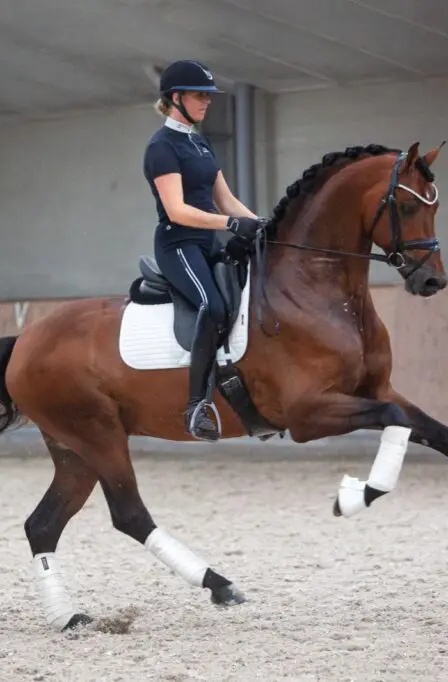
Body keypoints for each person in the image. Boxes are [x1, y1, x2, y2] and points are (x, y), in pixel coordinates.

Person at [143, 59, 266, 442]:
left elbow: (225, 200)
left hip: (209, 241)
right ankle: (197, 405)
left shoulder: (200, 142)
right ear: (176, 98)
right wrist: (229, 225)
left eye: (208, 96)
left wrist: (264, 226)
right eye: (200, 96)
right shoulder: (161, 147)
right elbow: (178, 210)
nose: (207, 102)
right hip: (178, 244)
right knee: (211, 307)